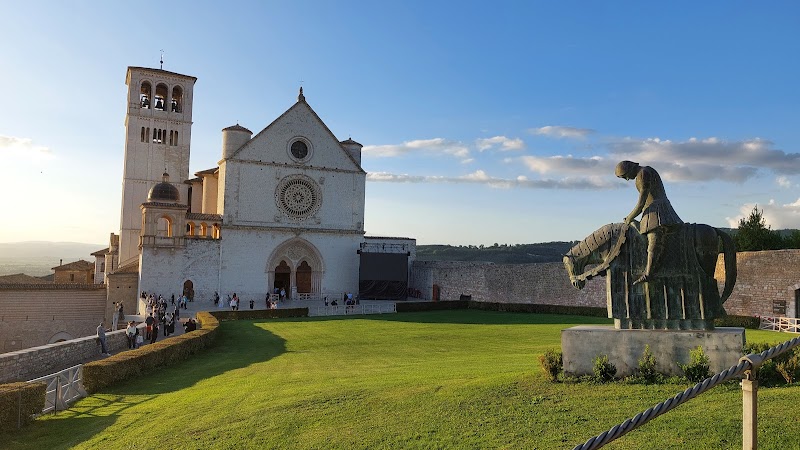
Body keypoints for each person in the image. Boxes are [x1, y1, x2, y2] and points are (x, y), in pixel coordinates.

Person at [616, 160, 683, 284]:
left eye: (625, 176)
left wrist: (630, 217)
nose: (627, 179)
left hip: (657, 210)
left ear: (630, 169)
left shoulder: (643, 173)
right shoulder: (643, 172)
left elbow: (641, 202)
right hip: (651, 210)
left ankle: (648, 274)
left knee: (654, 238)